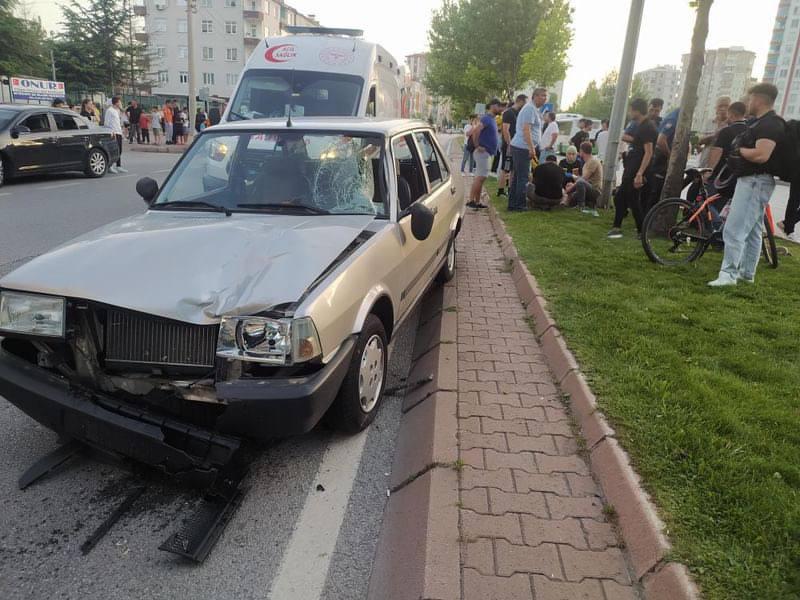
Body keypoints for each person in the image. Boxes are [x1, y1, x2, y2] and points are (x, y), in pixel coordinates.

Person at [709, 83, 786, 286]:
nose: (748, 102)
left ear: (759, 99)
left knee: (734, 229)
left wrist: (740, 151)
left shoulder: (770, 124)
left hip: (755, 181)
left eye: (750, 98)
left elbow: (762, 155)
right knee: (752, 230)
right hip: (754, 181)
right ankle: (746, 273)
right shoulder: (761, 123)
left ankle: (728, 275)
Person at [608, 98, 657, 239]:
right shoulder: (641, 125)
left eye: (631, 110)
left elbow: (648, 152)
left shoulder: (647, 127)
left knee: (631, 199)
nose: (630, 113)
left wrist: (640, 173)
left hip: (636, 169)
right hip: (632, 166)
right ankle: (618, 227)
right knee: (621, 197)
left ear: (636, 110)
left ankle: (640, 230)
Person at [509, 87, 547, 211]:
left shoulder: (533, 109)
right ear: (535, 96)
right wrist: (531, 148)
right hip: (523, 147)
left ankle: (513, 204)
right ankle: (519, 205)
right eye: (542, 95)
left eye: (545, 96)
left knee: (518, 177)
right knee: (523, 178)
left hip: (521, 146)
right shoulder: (530, 109)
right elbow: (526, 130)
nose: (544, 98)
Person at [468, 99, 504, 209]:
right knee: (480, 177)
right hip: (482, 153)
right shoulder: (486, 118)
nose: (500, 109)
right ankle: (471, 201)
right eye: (499, 106)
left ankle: (477, 201)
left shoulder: (492, 119)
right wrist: (477, 145)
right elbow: (476, 131)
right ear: (493, 106)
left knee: (481, 177)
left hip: (486, 153)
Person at [643, 107, 680, 212]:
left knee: (652, 190)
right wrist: (670, 156)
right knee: (655, 190)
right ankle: (648, 218)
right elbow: (661, 140)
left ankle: (647, 217)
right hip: (660, 159)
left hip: (658, 157)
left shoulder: (672, 115)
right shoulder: (674, 118)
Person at [497, 95, 526, 197]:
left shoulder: (519, 113)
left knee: (514, 169)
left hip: (516, 144)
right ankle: (501, 190)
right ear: (520, 101)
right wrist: (509, 144)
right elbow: (505, 130)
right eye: (525, 102)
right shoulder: (508, 113)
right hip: (509, 145)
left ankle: (510, 189)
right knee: (506, 168)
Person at [565, 141, 603, 216]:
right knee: (571, 199)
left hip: (595, 190)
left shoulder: (593, 161)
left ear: (582, 151)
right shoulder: (587, 162)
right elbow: (583, 179)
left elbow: (584, 179)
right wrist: (571, 184)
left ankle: (581, 206)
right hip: (588, 187)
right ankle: (588, 204)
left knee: (580, 183)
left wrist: (571, 188)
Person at [103, 97, 127, 174]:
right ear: (116, 103)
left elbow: (118, 122)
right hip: (113, 133)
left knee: (119, 150)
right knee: (113, 150)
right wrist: (111, 132)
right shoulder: (109, 111)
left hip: (119, 132)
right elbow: (106, 123)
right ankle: (110, 166)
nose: (121, 103)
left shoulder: (117, 111)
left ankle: (118, 166)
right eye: (120, 102)